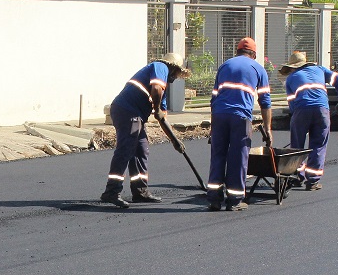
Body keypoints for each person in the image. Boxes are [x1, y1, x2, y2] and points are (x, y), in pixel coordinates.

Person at [100, 52, 186, 208]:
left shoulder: (163, 90)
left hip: (135, 115)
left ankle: (140, 192)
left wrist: (175, 141)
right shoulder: (160, 67)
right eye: (177, 73)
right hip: (127, 111)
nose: (176, 77)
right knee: (126, 149)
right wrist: (157, 108)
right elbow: (156, 89)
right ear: (173, 68)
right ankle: (111, 191)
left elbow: (162, 118)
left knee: (141, 150)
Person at [206, 37, 271, 211]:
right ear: (254, 54)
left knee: (218, 156)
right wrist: (268, 129)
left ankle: (214, 199)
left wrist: (213, 127)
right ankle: (234, 200)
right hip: (240, 118)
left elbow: (214, 98)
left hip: (219, 116)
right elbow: (265, 102)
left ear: (237, 51)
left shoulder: (224, 66)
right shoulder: (258, 69)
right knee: (238, 157)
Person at [280, 50, 338, 191]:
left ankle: (297, 176)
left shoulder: (291, 79)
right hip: (322, 111)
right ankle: (312, 181)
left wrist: (299, 120)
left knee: (297, 146)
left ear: (292, 67)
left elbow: (292, 104)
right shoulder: (320, 70)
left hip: (301, 111)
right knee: (318, 145)